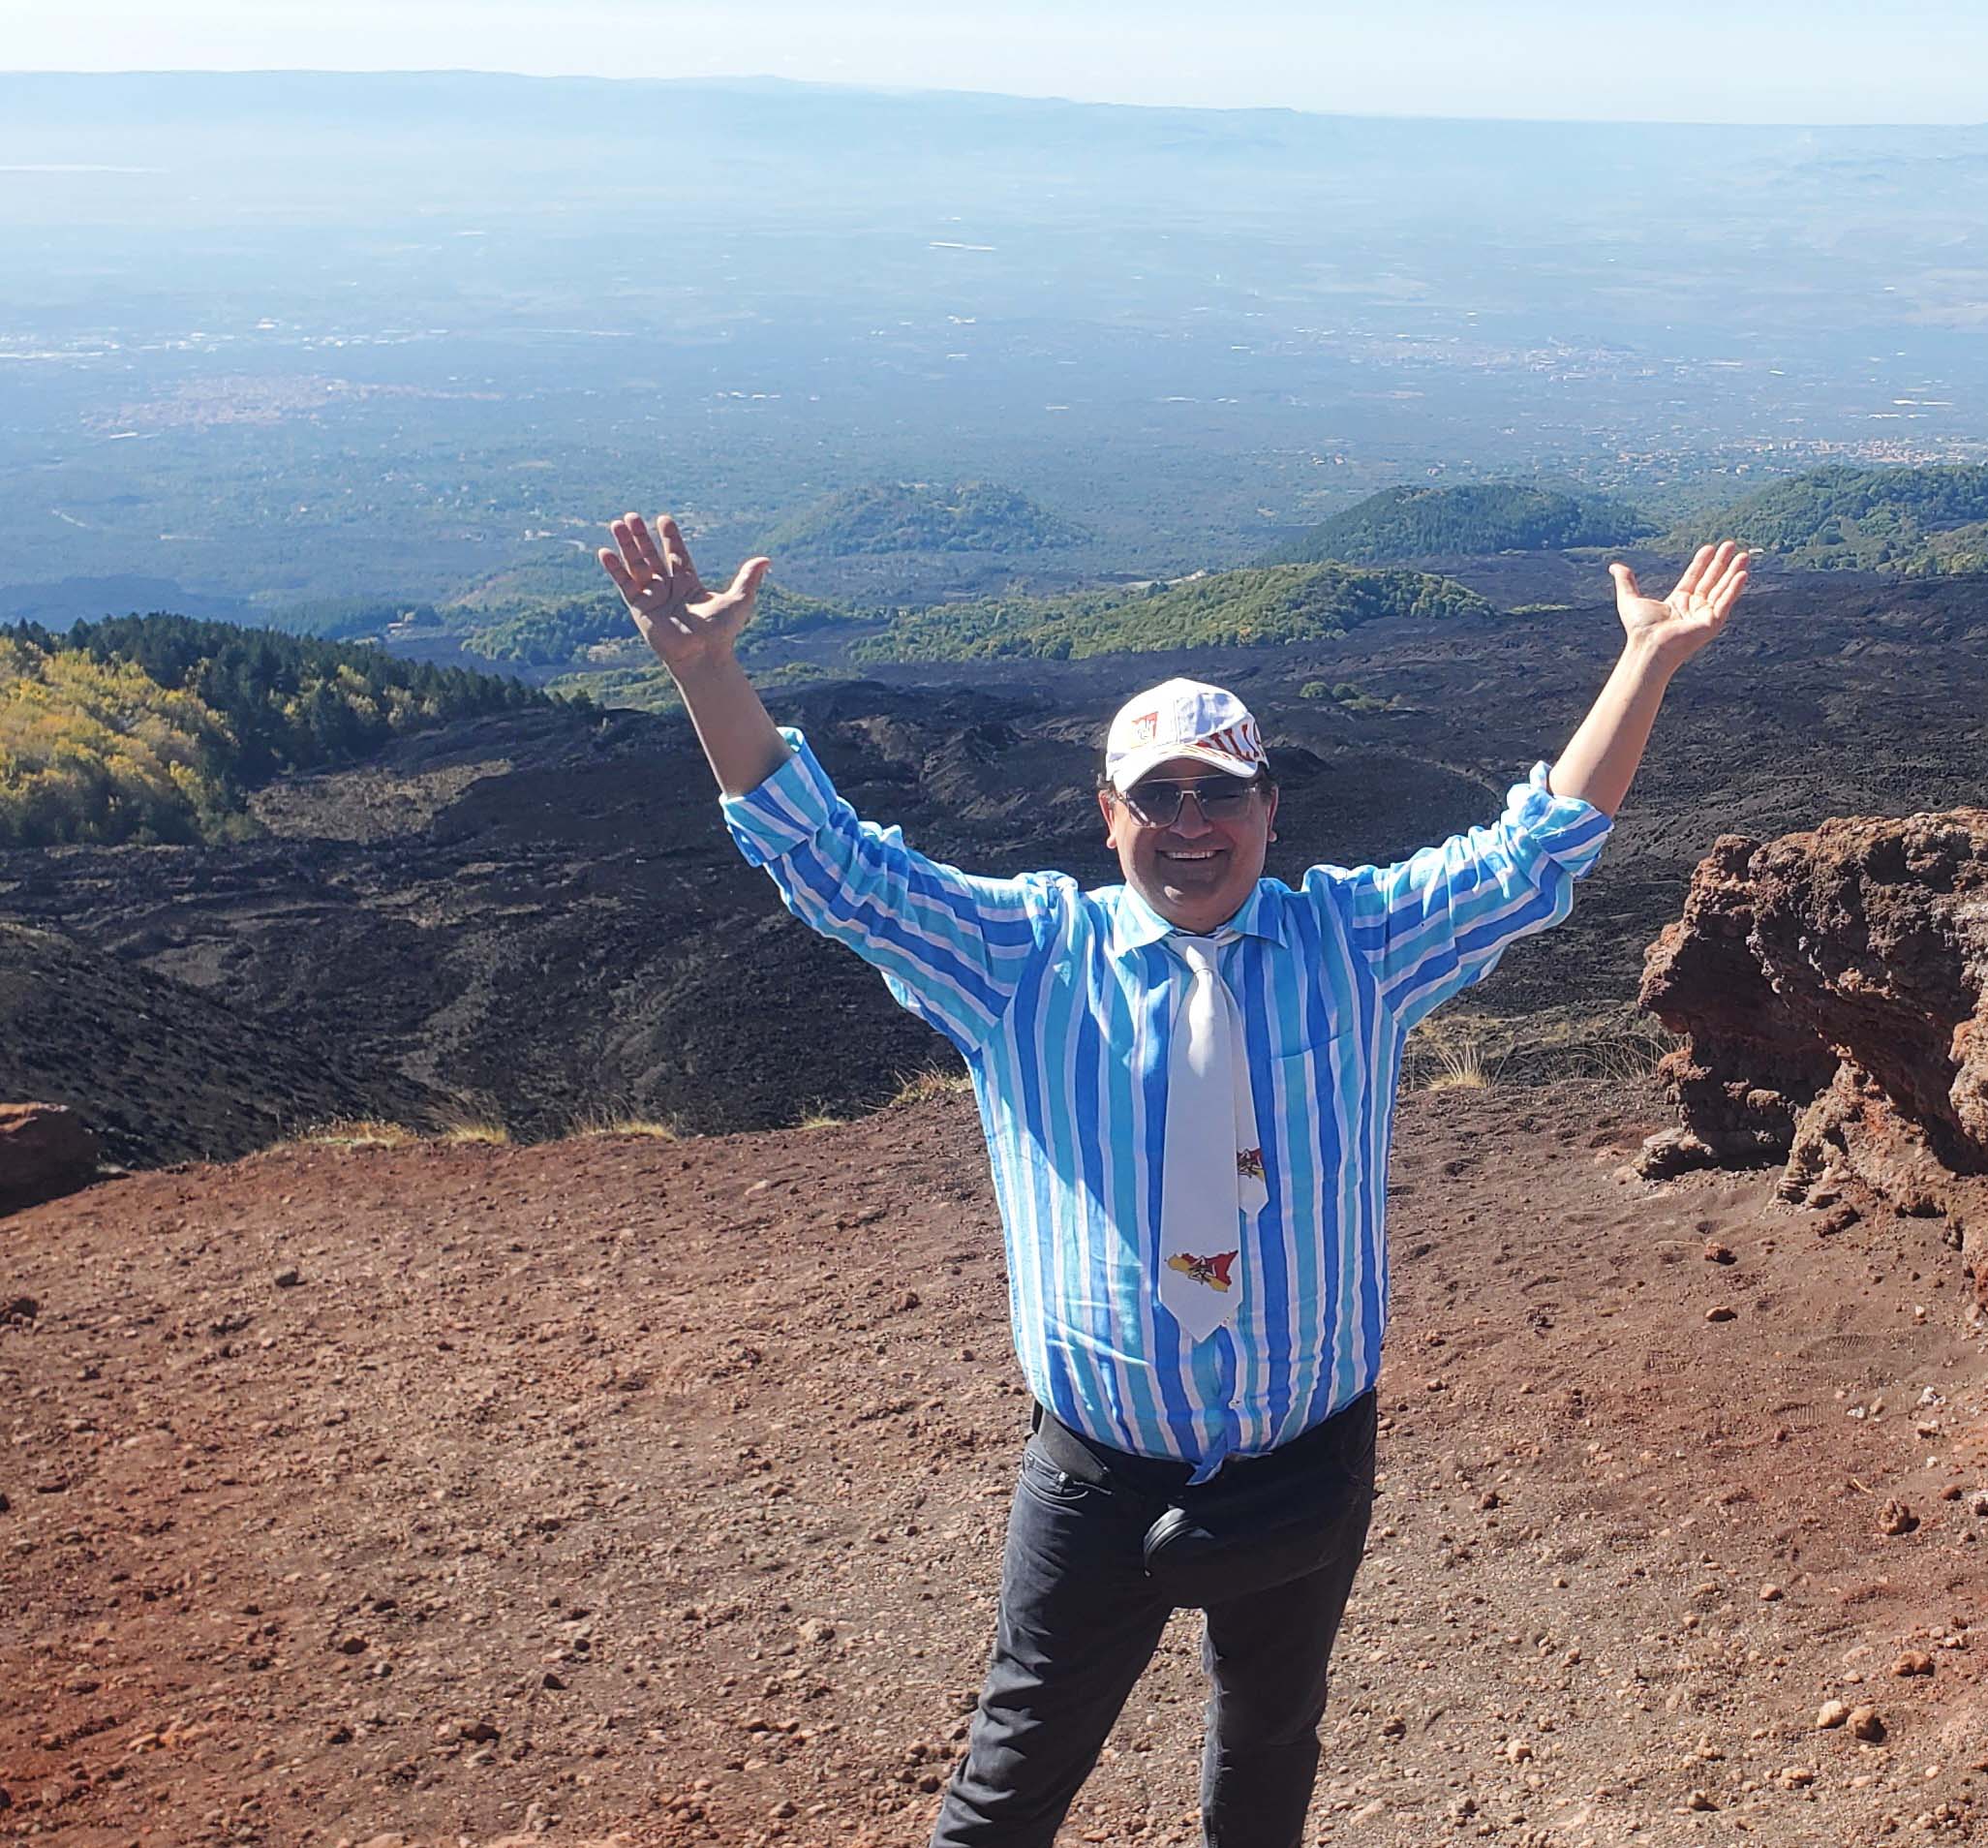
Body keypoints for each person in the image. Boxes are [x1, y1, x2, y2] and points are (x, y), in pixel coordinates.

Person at [595, 511, 1753, 1847]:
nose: (1188, 825)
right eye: (1157, 795)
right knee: (1015, 1764)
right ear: (1108, 816)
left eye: (1219, 794)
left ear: (1268, 809)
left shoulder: (1352, 946)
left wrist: (1647, 663)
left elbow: (1533, 851)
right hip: (1099, 1464)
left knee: (1268, 1745)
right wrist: (704, 673)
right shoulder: (1021, 957)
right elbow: (831, 865)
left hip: (1307, 1452)